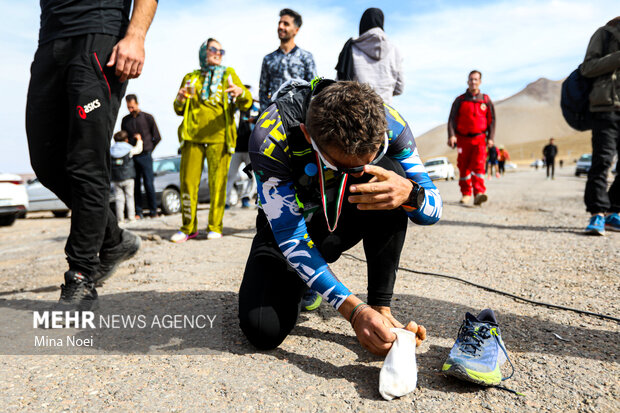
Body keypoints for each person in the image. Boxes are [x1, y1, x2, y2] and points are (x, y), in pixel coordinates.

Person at [238, 79, 442, 356]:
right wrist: (354, 311)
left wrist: (411, 194)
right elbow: (290, 236)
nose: (357, 173)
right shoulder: (270, 134)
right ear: (308, 136)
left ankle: (381, 307)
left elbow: (433, 210)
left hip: (344, 219)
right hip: (294, 228)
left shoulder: (390, 121)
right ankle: (304, 284)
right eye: (343, 166)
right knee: (263, 331)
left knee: (392, 172)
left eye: (367, 161)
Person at [25, 0, 157, 311]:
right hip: (50, 41)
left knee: (86, 161)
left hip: (99, 37)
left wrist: (136, 35)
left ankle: (81, 275)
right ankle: (113, 239)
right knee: (46, 162)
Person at [171, 38, 252, 243]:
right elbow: (178, 109)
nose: (218, 53)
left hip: (220, 137)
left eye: (221, 50)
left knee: (218, 183)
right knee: (188, 183)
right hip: (192, 135)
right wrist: (180, 99)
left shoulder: (228, 74)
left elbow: (247, 102)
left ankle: (215, 226)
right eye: (213, 49)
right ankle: (188, 228)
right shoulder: (191, 77)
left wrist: (240, 92)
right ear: (203, 52)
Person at [581, 16, 620, 235]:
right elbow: (587, 68)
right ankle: (597, 214)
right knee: (602, 162)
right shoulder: (605, 34)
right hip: (606, 109)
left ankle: (614, 213)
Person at [335, 7, 404, 104]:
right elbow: (399, 88)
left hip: (357, 111)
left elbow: (340, 84)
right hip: (385, 112)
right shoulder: (395, 50)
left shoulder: (352, 47)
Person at [448, 70, 496, 206]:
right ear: (467, 81)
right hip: (463, 139)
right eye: (471, 79)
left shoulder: (485, 100)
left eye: (476, 79)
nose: (473, 82)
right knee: (463, 167)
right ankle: (466, 193)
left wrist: (491, 137)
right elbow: (451, 119)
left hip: (480, 139)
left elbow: (492, 120)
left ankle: (479, 193)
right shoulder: (460, 100)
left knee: (479, 166)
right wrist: (452, 135)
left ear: (480, 82)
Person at [258, 9, 317, 111]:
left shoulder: (306, 57)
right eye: (279, 23)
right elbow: (263, 91)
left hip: (299, 116)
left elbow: (314, 88)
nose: (281, 27)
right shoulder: (268, 59)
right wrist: (266, 112)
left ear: (296, 30)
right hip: (275, 117)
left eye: (286, 24)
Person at [121, 94, 162, 218]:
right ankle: (138, 212)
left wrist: (149, 149)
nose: (131, 109)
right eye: (128, 107)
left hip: (146, 155)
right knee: (136, 185)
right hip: (133, 157)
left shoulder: (148, 117)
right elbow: (123, 138)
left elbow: (158, 137)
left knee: (149, 183)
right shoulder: (125, 120)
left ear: (137, 104)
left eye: (132, 107)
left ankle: (153, 211)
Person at [226, 86, 259, 209]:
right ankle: (226, 202)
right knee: (230, 175)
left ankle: (246, 197)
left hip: (250, 149)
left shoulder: (256, 110)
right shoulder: (235, 109)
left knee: (251, 176)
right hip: (236, 149)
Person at [111, 130, 143, 223]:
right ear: (126, 140)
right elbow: (139, 149)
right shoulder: (128, 149)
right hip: (128, 177)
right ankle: (131, 217)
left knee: (118, 199)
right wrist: (139, 140)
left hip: (116, 178)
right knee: (130, 197)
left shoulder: (111, 150)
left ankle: (120, 219)